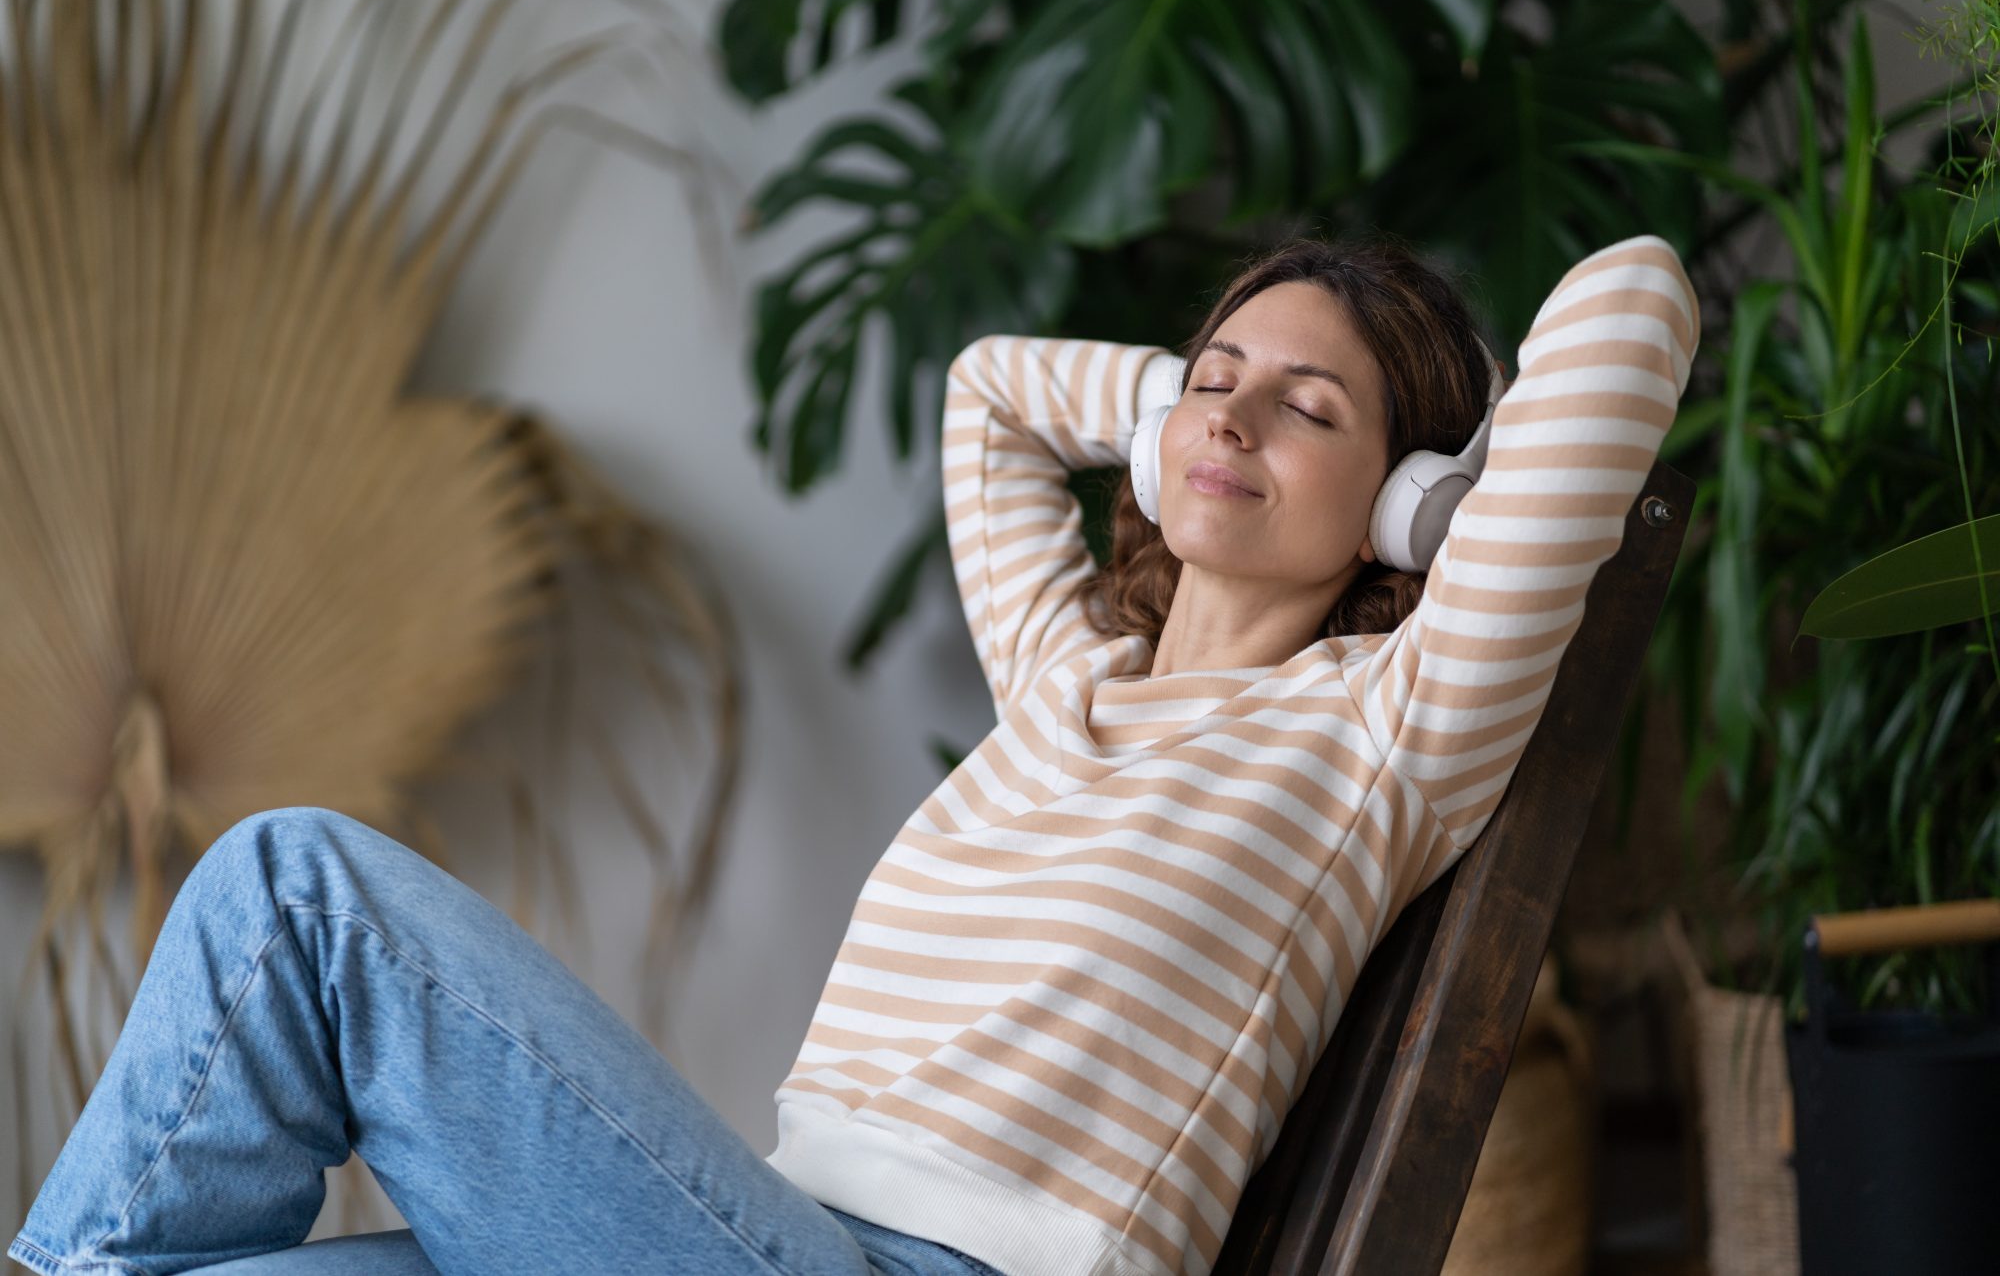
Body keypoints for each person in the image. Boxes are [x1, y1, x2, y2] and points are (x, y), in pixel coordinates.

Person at [9, 231, 1698, 1276]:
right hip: (756, 1230)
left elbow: (1635, 298)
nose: (1233, 419)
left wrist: (1435, 497)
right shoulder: (1066, 675)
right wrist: (1182, 403)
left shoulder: (1386, 733)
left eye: (1310, 411)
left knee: (299, 890)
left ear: (1405, 510)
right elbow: (984, 391)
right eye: (1214, 378)